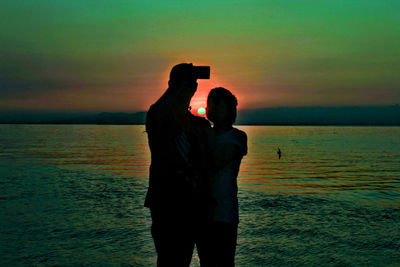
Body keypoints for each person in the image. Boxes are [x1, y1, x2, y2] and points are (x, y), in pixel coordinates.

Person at [145, 63, 211, 266]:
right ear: (171, 86)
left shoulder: (199, 125)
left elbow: (206, 163)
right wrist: (176, 87)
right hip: (165, 203)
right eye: (183, 83)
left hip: (192, 204)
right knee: (169, 260)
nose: (188, 87)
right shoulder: (158, 117)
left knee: (181, 259)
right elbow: (159, 112)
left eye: (192, 83)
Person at [200, 87, 247, 267]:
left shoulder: (237, 137)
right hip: (203, 212)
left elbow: (216, 162)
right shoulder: (204, 134)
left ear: (228, 109)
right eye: (209, 104)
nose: (210, 108)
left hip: (225, 214)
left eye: (215, 104)